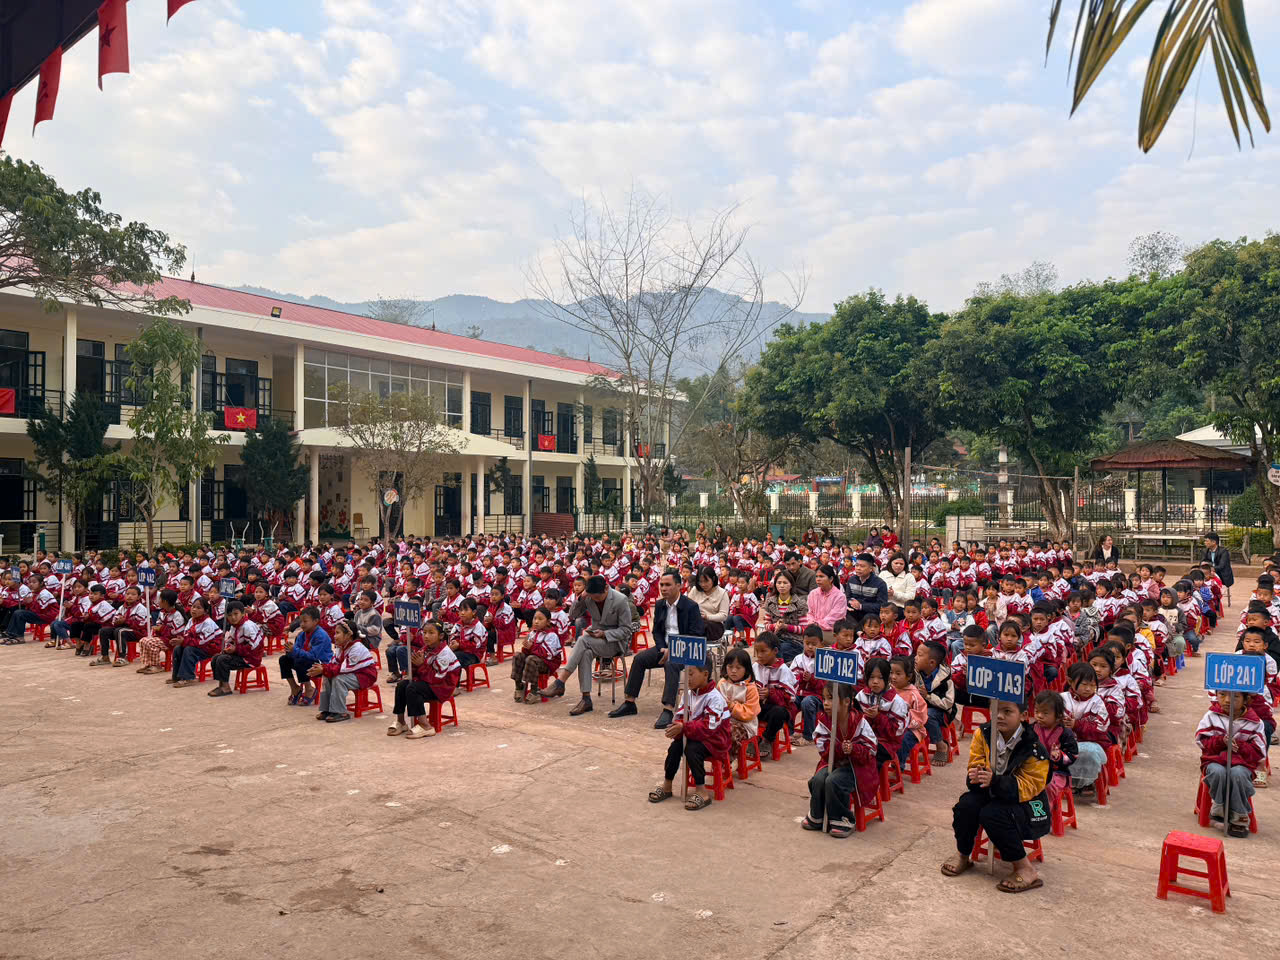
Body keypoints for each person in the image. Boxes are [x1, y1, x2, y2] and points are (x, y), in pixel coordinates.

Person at [942, 697, 1051, 893]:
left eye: (1007, 711)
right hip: (992, 790)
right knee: (966, 806)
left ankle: (1024, 867)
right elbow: (976, 761)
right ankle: (963, 855)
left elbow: (1028, 787)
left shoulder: (1034, 748)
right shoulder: (983, 734)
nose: (999, 716)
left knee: (994, 814)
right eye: (995, 710)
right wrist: (976, 775)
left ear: (1024, 716)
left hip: (1026, 802)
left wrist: (995, 781)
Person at [608, 570, 704, 726]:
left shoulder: (691, 606)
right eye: (662, 585)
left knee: (671, 663)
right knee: (639, 659)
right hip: (663, 647)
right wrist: (662, 648)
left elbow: (696, 633)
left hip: (684, 649)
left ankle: (668, 709)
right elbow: (657, 632)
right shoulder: (660, 605)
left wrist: (674, 648)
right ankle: (630, 702)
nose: (663, 588)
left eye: (668, 585)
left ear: (678, 586)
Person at [542, 575, 637, 717]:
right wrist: (581, 598)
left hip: (615, 642)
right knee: (585, 653)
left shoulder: (620, 600)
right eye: (592, 597)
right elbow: (572, 614)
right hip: (595, 638)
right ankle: (586, 699)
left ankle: (560, 682)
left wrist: (604, 634)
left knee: (582, 640)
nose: (595, 600)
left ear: (606, 588)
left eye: (597, 597)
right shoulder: (588, 597)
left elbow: (626, 630)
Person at [647, 655, 731, 811]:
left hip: (715, 740)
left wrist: (683, 727)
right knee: (675, 747)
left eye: (691, 674)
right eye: (686, 673)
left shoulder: (715, 698)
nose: (687, 678)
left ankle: (702, 791)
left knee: (692, 749)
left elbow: (708, 728)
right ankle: (667, 785)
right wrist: (677, 729)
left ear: (705, 674)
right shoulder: (688, 694)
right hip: (694, 735)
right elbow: (680, 716)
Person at [802, 682, 878, 838]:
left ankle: (843, 819)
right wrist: (838, 748)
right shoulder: (824, 721)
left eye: (831, 699)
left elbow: (871, 750)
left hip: (857, 768)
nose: (826, 703)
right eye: (824, 699)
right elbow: (822, 748)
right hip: (833, 762)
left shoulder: (859, 722)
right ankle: (817, 815)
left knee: (834, 781)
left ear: (847, 701)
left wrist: (854, 749)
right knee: (818, 779)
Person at [1196, 688, 1266, 837]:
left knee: (1238, 774)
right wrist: (1220, 742)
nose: (1228, 700)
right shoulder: (1211, 717)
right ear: (1216, 695)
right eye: (1222, 695)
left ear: (1246, 699)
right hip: (1214, 761)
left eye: (1235, 696)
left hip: (1243, 765)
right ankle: (1219, 808)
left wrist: (1239, 746)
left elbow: (1259, 752)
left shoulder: (1255, 722)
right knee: (1218, 772)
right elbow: (1202, 742)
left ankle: (1239, 816)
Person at [388, 621, 460, 740]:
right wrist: (413, 666)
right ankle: (401, 722)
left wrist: (421, 665)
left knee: (413, 688)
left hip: (443, 686)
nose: (426, 636)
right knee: (402, 685)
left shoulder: (445, 653)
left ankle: (425, 726)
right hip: (429, 681)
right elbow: (418, 670)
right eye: (424, 632)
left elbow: (437, 678)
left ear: (441, 636)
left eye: (431, 633)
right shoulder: (425, 649)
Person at [309, 619, 377, 722]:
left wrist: (324, 669)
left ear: (348, 635)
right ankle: (327, 709)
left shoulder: (357, 648)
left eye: (337, 633)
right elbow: (333, 663)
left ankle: (340, 712)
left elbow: (344, 669)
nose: (334, 636)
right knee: (327, 676)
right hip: (352, 673)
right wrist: (322, 669)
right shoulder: (341, 647)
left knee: (339, 679)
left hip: (365, 676)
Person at [1060, 662, 1110, 793]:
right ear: (1070, 681)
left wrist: (1077, 725)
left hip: (1089, 742)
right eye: (1084, 684)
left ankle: (1086, 782)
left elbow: (1101, 727)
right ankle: (1060, 780)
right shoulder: (1061, 699)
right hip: (1065, 742)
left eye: (1092, 685)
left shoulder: (1097, 702)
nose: (1088, 689)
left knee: (1088, 752)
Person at [207, 601, 265, 698]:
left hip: (251, 658)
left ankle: (226, 688)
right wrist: (227, 648)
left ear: (243, 613)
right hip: (241, 655)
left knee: (222, 660)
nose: (233, 617)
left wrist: (236, 649)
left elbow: (253, 647)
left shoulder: (248, 626)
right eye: (230, 615)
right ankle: (222, 684)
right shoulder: (234, 626)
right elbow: (230, 640)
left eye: (236, 614)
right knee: (216, 658)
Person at [753, 631, 798, 756]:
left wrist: (770, 693)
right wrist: (754, 691)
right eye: (757, 651)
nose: (759, 655)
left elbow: (789, 697)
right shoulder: (755, 667)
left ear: (775, 651)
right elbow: (747, 685)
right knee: (745, 708)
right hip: (762, 707)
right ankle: (753, 739)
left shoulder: (783, 670)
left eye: (763, 651)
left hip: (779, 708)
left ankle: (767, 739)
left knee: (778, 713)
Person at [1031, 691, 1078, 807]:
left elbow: (1073, 755)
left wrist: (1059, 756)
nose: (1039, 716)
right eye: (1037, 711)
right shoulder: (1031, 730)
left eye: (1045, 713)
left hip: (1057, 773)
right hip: (1033, 769)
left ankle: (1045, 812)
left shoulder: (1065, 734)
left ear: (1058, 716)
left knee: (1047, 786)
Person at [280, 606, 332, 706]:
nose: (302, 624)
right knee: (284, 659)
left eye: (305, 621)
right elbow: (298, 650)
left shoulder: (321, 635)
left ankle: (309, 689)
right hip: (306, 661)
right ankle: (294, 688)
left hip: (321, 664)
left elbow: (313, 656)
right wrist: (289, 650)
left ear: (315, 621)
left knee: (300, 660)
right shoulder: (302, 634)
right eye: (301, 622)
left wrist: (294, 650)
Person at [914, 641, 956, 765]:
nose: (915, 658)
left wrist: (928, 696)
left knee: (928, 714)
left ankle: (941, 745)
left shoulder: (945, 680)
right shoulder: (916, 673)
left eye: (919, 655)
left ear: (931, 663)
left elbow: (948, 703)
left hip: (942, 713)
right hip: (921, 708)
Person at [511, 606, 562, 703]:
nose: (536, 622)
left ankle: (534, 690)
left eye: (540, 619)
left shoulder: (551, 635)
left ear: (548, 622)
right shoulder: (533, 633)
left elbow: (547, 654)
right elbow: (527, 652)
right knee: (518, 656)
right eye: (535, 618)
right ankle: (519, 686)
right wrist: (526, 647)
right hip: (535, 659)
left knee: (531, 659)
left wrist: (531, 647)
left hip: (548, 663)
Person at [171, 597, 224, 688]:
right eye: (193, 607)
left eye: (198, 608)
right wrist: (180, 640)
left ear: (205, 611)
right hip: (197, 646)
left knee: (189, 650)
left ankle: (188, 677)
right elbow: (186, 635)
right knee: (178, 648)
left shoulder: (208, 622)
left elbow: (202, 642)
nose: (194, 609)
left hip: (209, 649)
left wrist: (184, 641)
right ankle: (177, 676)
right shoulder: (191, 620)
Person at [761, 570, 808, 663]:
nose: (782, 586)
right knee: (763, 648)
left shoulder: (800, 603)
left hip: (794, 641)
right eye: (779, 583)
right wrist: (775, 626)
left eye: (785, 583)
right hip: (774, 639)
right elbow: (766, 625)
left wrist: (786, 627)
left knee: (778, 650)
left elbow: (803, 629)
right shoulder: (770, 602)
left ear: (791, 585)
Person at [717, 647, 760, 747]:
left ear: (746, 669)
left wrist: (731, 706)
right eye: (730, 666)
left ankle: (726, 757)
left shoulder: (750, 688)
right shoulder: (722, 683)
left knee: (728, 734)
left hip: (745, 725)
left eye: (738, 668)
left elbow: (749, 714)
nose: (733, 671)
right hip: (723, 720)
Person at [791, 626, 826, 743]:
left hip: (817, 697)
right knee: (790, 701)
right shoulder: (798, 659)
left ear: (821, 644)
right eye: (807, 643)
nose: (810, 647)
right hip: (800, 693)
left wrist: (812, 679)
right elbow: (791, 678)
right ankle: (790, 733)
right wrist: (801, 678)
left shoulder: (824, 660)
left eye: (814, 644)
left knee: (807, 702)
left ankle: (808, 736)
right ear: (803, 642)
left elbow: (825, 686)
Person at [687, 566, 729, 645]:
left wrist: (707, 617)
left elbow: (723, 615)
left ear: (713, 579)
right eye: (700, 581)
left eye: (706, 581)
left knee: (701, 626)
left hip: (714, 626)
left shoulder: (722, 593)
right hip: (695, 623)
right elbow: (687, 607)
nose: (703, 584)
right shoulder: (695, 590)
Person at [805, 564, 846, 641]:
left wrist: (817, 624)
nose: (818, 579)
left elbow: (834, 619)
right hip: (813, 629)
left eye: (821, 576)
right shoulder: (813, 593)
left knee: (814, 640)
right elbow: (809, 613)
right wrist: (812, 623)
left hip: (831, 632)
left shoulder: (840, 596)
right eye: (816, 576)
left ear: (831, 579)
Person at [843, 553, 888, 622]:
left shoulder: (880, 584)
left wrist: (861, 606)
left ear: (871, 569)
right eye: (857, 565)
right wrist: (850, 602)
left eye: (862, 566)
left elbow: (882, 605)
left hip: (871, 614)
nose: (858, 568)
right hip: (853, 612)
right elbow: (847, 597)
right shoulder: (852, 580)